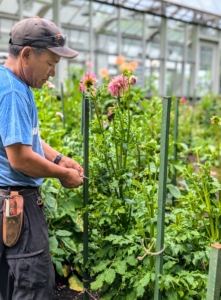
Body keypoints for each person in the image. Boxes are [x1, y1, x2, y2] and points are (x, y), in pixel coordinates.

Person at [0, 16, 84, 300]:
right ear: (26, 54)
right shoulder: (12, 90)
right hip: (16, 203)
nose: (52, 74)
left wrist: (59, 159)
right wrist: (62, 175)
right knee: (32, 282)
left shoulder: (12, 82)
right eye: (50, 64)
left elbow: (27, 138)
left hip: (11, 199)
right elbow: (21, 158)